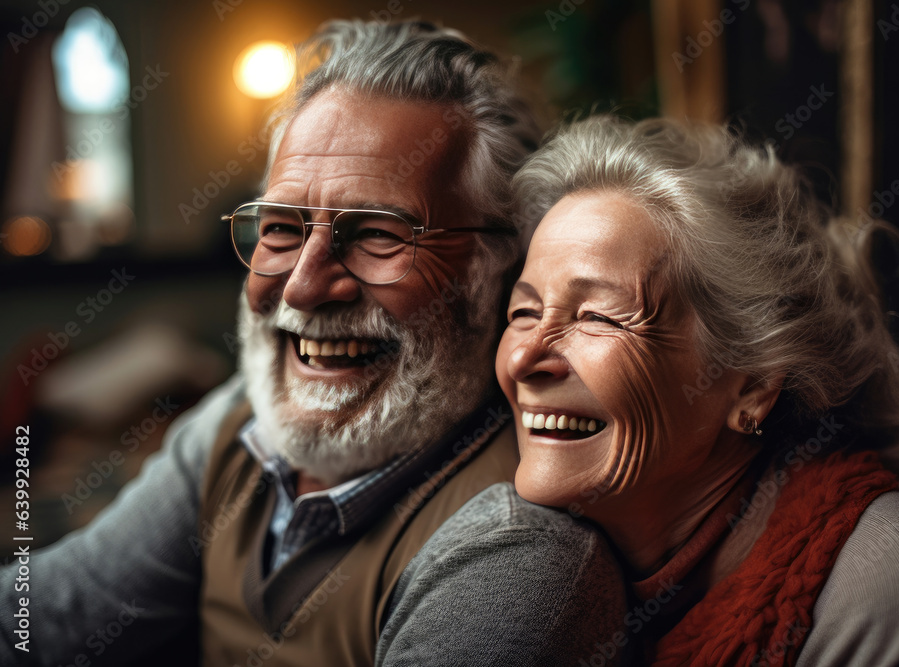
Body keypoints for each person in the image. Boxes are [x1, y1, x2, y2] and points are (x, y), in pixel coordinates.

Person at [0, 21, 629, 666]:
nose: (302, 288)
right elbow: (44, 617)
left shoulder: (515, 556)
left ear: (500, 268)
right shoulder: (240, 421)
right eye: (279, 228)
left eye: (380, 235)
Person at [496, 115, 899, 666]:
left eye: (598, 317)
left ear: (754, 386)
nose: (523, 358)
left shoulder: (897, 584)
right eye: (525, 310)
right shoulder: (552, 570)